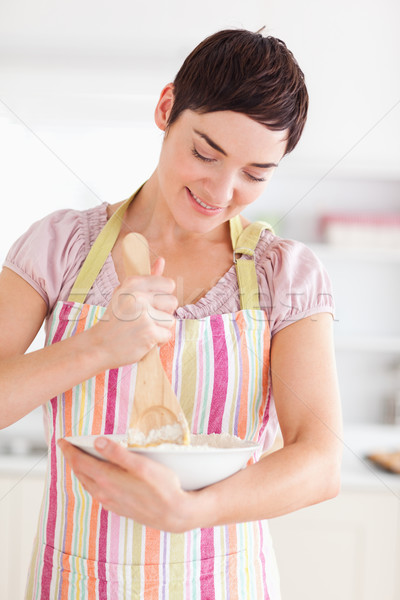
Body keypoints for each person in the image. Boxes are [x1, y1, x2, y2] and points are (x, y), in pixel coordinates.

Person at [0, 28, 342, 599]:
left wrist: (190, 512)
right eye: (205, 153)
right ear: (166, 109)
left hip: (226, 583)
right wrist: (98, 345)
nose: (221, 189)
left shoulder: (284, 274)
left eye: (256, 174)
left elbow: (321, 461)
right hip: (77, 583)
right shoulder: (59, 246)